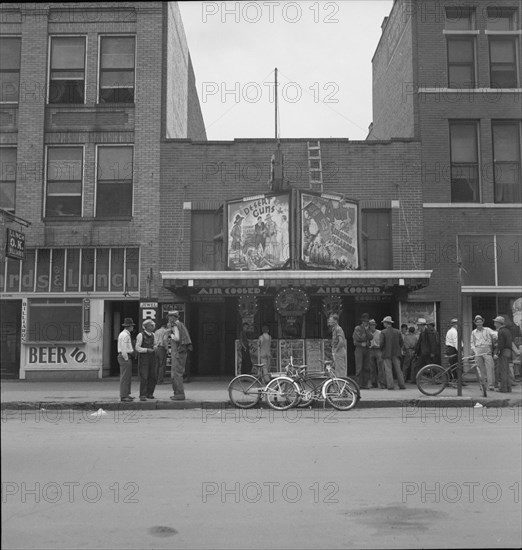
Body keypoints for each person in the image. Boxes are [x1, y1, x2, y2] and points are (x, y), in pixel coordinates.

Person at [168, 310, 193, 400]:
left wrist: (171, 335)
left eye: (170, 316)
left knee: (176, 374)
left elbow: (177, 338)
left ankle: (179, 394)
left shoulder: (175, 326)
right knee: (178, 373)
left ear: (173, 317)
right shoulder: (181, 325)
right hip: (182, 352)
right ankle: (178, 393)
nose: (169, 318)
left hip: (177, 352)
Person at [471, 315, 496, 391]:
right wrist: (475, 351)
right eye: (477, 322)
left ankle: (491, 385)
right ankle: (483, 385)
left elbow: (495, 334)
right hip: (478, 350)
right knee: (480, 369)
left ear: (482, 322)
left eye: (480, 321)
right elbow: (472, 342)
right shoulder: (473, 332)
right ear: (475, 323)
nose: (479, 323)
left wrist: (494, 337)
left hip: (487, 349)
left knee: (490, 367)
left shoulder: (487, 330)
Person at [380, 316, 406, 390]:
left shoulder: (383, 332)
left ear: (386, 323)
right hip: (396, 353)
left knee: (388, 370)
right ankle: (402, 384)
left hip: (386, 353)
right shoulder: (397, 332)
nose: (383, 324)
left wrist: (382, 349)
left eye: (384, 323)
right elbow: (401, 342)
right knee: (398, 369)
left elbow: (381, 343)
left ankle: (390, 385)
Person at [135, 319, 157, 401]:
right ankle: (142, 395)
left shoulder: (154, 335)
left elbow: (155, 344)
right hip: (144, 357)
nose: (153, 327)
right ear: (146, 326)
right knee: (144, 376)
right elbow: (137, 348)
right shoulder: (141, 335)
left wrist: (155, 347)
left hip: (152, 357)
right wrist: (147, 350)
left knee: (153, 376)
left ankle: (150, 393)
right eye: (151, 325)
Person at [117, 317, 136, 402]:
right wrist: (126, 358)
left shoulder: (124, 334)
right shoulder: (125, 335)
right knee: (125, 377)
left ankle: (126, 394)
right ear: (129, 326)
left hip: (125, 356)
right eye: (132, 326)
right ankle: (124, 395)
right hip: (125, 356)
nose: (133, 327)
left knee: (127, 376)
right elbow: (124, 348)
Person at [353, 313, 372, 389]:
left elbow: (371, 337)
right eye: (365, 321)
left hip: (366, 349)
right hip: (359, 348)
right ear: (362, 322)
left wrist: (366, 331)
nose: (366, 323)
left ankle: (365, 384)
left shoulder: (367, 329)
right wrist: (363, 341)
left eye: (367, 322)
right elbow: (358, 338)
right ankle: (358, 384)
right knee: (359, 367)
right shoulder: (357, 328)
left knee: (366, 367)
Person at [493, 316, 512, 393]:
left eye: (495, 322)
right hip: (508, 351)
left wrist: (497, 353)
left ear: (498, 323)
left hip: (503, 351)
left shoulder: (501, 331)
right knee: (507, 370)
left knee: (503, 371)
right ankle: (508, 388)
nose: (494, 324)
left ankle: (503, 388)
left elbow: (501, 344)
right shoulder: (507, 330)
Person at [328, 313, 347, 378]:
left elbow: (341, 342)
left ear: (335, 321)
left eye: (331, 320)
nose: (329, 322)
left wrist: (336, 350)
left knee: (340, 369)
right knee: (337, 369)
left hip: (339, 351)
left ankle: (342, 386)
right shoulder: (334, 329)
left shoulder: (338, 329)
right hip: (336, 351)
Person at [368, 319, 385, 388]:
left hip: (378, 349)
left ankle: (382, 383)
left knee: (380, 367)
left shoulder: (379, 333)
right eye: (371, 325)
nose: (372, 326)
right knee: (372, 368)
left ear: (375, 325)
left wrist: (380, 347)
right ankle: (373, 383)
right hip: (370, 349)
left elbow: (382, 342)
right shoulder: (367, 332)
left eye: (373, 325)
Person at [154, 318, 170, 384]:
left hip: (156, 348)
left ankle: (155, 379)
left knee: (156, 365)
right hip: (161, 348)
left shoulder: (156, 331)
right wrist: (167, 349)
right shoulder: (166, 331)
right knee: (162, 365)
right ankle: (160, 380)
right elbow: (165, 340)